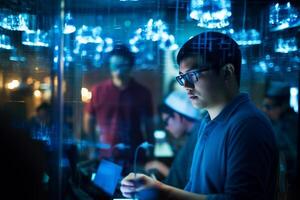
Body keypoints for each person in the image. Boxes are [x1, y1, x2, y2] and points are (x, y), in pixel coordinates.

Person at [120, 31, 278, 200]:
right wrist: (155, 188)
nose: (186, 86)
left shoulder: (248, 124)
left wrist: (163, 192)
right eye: (182, 78)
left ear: (227, 72)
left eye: (193, 75)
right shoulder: (208, 122)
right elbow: (194, 188)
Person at [84, 44, 154, 162]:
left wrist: (151, 152)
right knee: (105, 181)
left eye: (121, 65)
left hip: (135, 155)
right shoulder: (98, 90)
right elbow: (88, 120)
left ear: (130, 66)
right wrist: (92, 149)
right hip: (106, 154)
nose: (117, 70)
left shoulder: (143, 92)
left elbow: (149, 125)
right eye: (114, 66)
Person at [145, 90, 203, 189]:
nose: (167, 127)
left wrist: (160, 167)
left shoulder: (197, 138)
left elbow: (187, 183)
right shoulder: (195, 134)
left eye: (167, 121)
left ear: (177, 116)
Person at [262, 82, 298, 196]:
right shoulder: (275, 122)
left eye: (269, 107)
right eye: (264, 106)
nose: (265, 111)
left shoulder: (292, 126)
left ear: (283, 106)